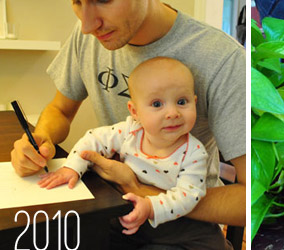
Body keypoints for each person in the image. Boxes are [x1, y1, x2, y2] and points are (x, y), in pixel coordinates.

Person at [11, 0, 245, 247]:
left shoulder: (224, 59)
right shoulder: (89, 37)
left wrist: (136, 188)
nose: (87, 26)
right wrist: (42, 138)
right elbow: (60, 110)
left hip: (186, 226)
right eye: (77, 1)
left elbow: (246, 202)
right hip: (115, 211)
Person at [40, 56, 214, 236]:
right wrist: (72, 168)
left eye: (182, 102)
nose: (172, 113)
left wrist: (149, 206)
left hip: (178, 227)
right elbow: (94, 139)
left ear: (195, 101)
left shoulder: (194, 152)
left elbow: (188, 196)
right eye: (157, 104)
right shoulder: (131, 131)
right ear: (135, 112)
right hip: (127, 214)